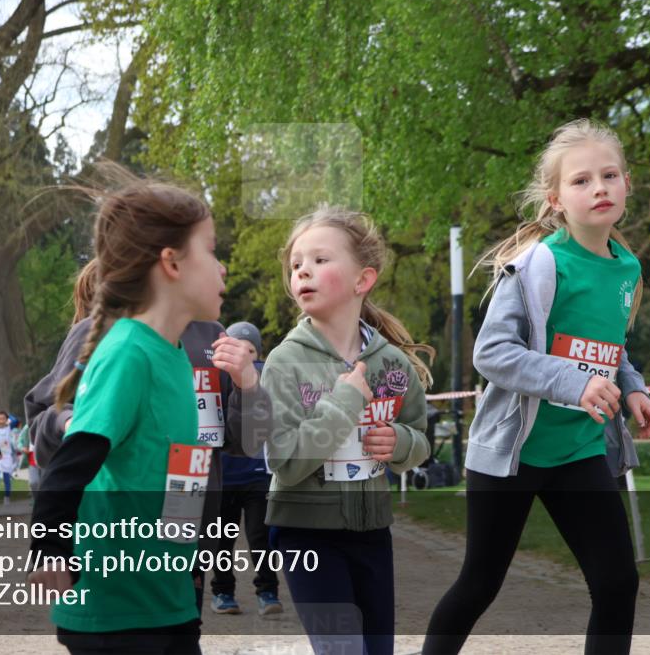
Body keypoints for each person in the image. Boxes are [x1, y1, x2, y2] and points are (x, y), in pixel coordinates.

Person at [422, 119, 650, 655]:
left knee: (618, 582)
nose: (598, 187)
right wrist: (574, 383)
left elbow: (609, 346)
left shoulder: (627, 269)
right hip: (512, 453)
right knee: (480, 585)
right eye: (581, 181)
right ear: (555, 199)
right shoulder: (539, 264)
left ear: (626, 185)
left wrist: (635, 386)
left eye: (609, 175)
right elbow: (492, 353)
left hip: (577, 451)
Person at [27, 174, 229, 654]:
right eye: (212, 250)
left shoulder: (175, 353)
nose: (224, 268)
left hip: (168, 599)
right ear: (172, 261)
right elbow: (73, 460)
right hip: (114, 613)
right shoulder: (128, 352)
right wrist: (50, 547)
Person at [25, 258, 271, 614]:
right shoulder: (103, 332)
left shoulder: (212, 335)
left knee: (180, 632)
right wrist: (70, 422)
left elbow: (247, 442)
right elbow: (42, 421)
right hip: (118, 520)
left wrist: (247, 385)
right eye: (206, 252)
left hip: (188, 508)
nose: (221, 267)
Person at [262, 206, 432, 655]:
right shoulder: (284, 362)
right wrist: (345, 402)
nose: (303, 271)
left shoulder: (391, 363)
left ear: (363, 280)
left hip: (372, 531)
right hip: (304, 532)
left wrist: (399, 444)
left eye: (320, 260)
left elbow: (420, 439)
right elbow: (284, 460)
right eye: (296, 264)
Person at [209, 321, 281, 617]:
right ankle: (223, 591)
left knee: (261, 538)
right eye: (236, 348)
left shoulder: (264, 376)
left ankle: (268, 591)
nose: (244, 356)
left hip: (257, 476)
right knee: (222, 541)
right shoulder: (217, 378)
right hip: (223, 477)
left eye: (250, 350)